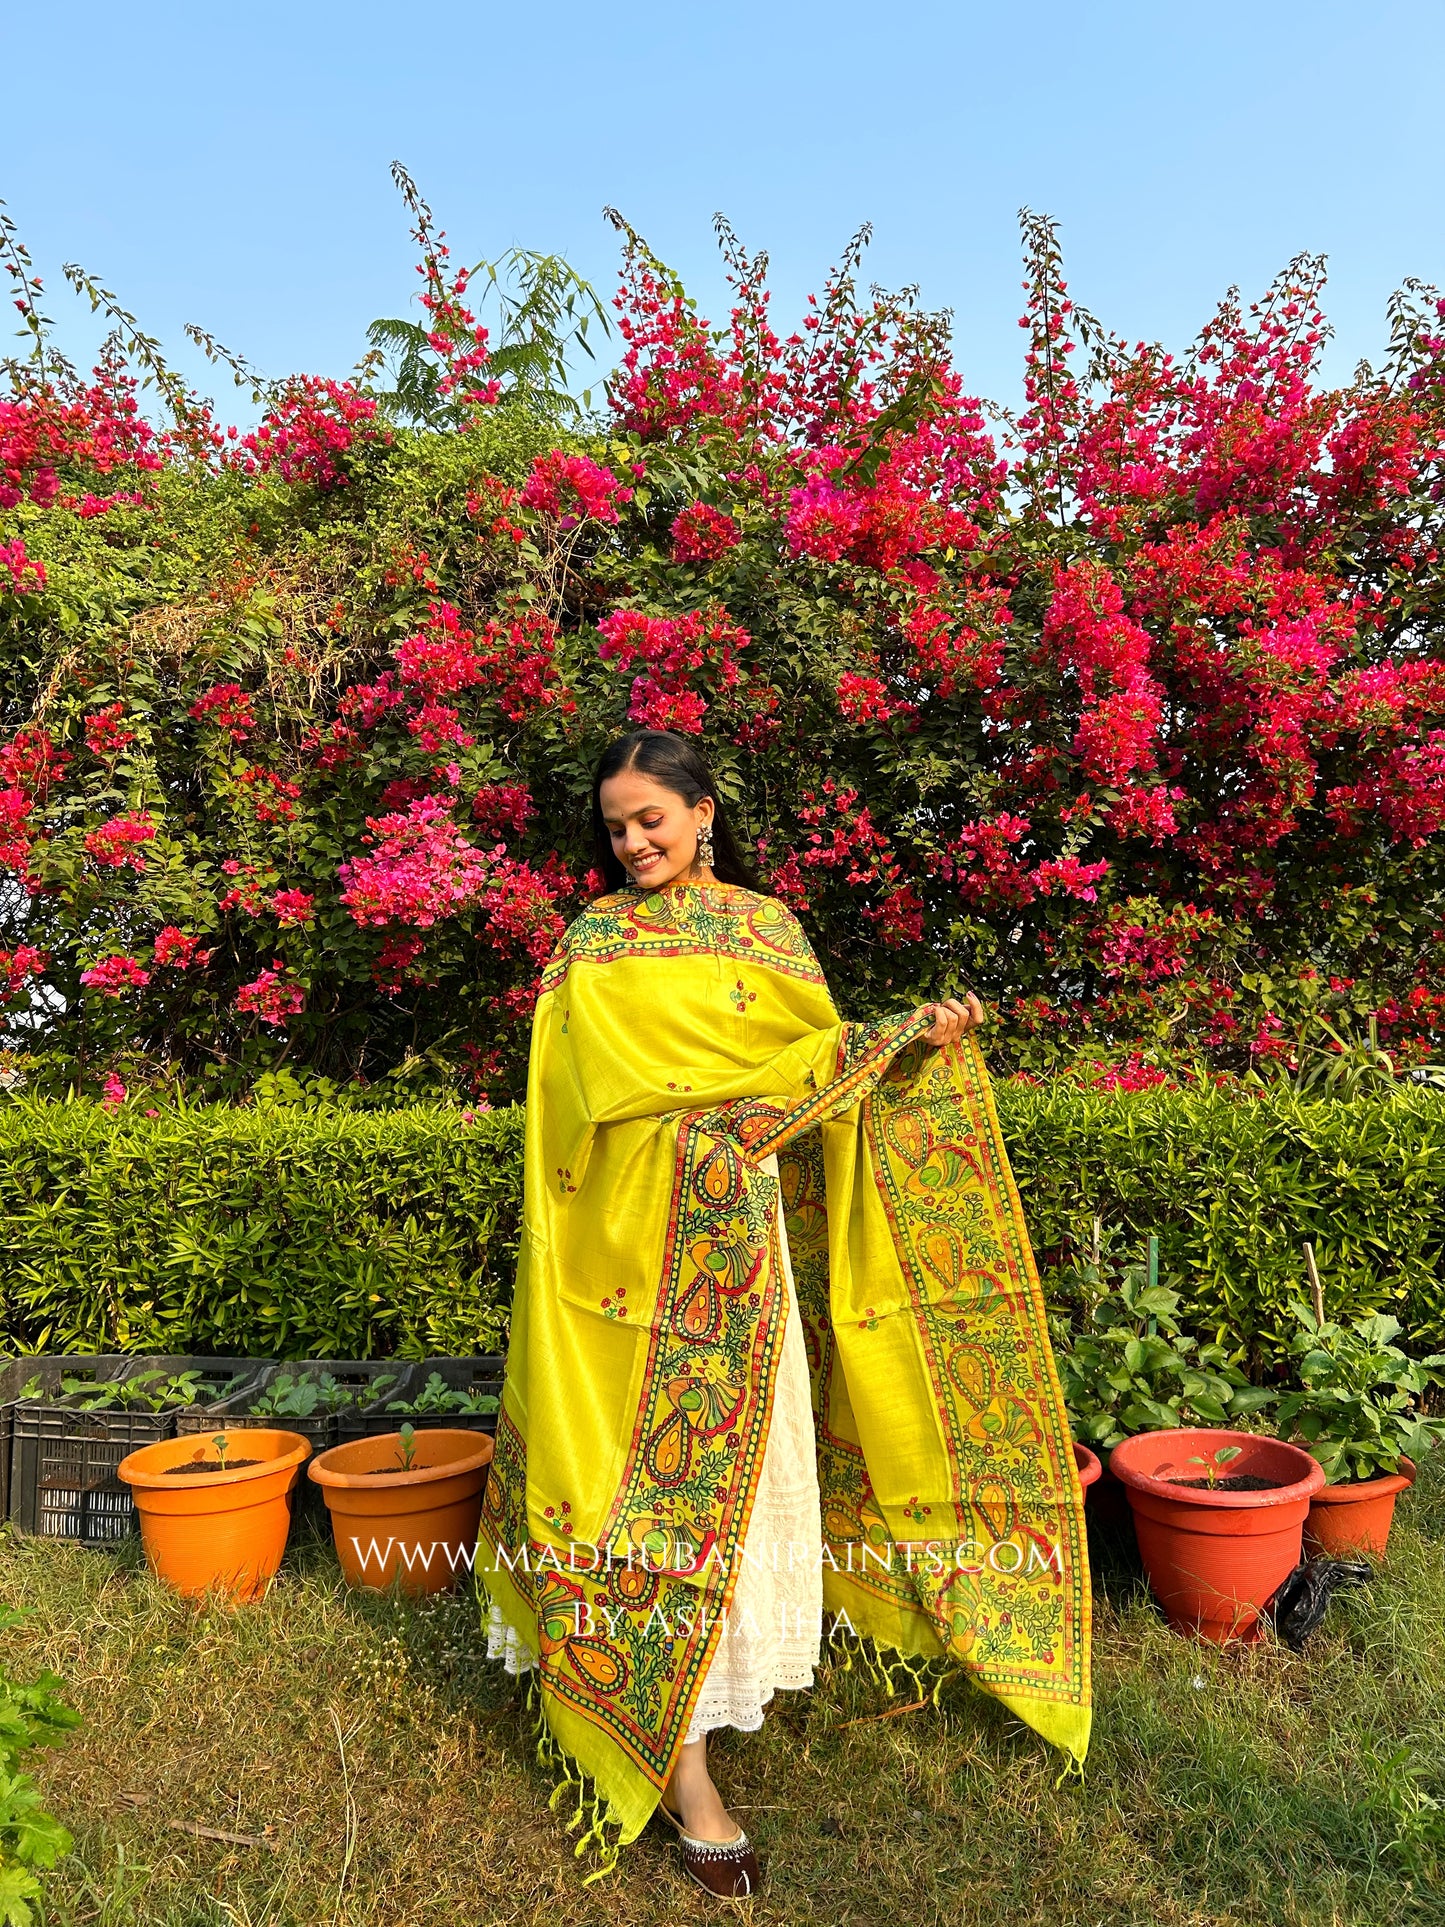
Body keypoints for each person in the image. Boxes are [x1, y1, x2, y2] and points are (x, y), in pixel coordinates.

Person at [479, 729, 1091, 1897]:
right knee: (635, 1492)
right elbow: (568, 1108)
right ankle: (677, 1769)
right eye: (614, 826)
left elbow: (811, 1068)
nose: (632, 842)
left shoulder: (766, 930)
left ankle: (706, 1701)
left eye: (650, 818)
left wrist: (908, 1043)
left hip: (737, 1252)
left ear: (702, 810)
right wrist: (674, 1139)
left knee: (737, 1481)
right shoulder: (591, 943)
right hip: (615, 1267)